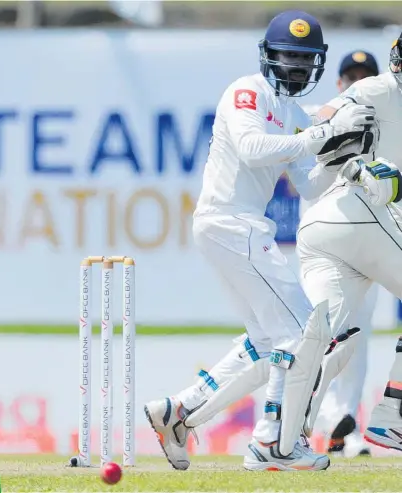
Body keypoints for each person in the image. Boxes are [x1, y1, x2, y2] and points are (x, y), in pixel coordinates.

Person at [144, 10, 378, 472]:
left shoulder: (291, 112)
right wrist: (321, 135)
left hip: (241, 229)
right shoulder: (246, 91)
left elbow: (308, 185)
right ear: (268, 56)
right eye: (288, 57)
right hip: (232, 224)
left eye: (305, 59)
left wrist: (340, 154)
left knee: (270, 339)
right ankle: (272, 441)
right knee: (303, 333)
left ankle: (180, 412)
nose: (296, 67)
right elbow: (252, 149)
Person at [296, 32, 402, 454]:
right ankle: (391, 415)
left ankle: (287, 428)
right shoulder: (376, 89)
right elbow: (322, 118)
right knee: (336, 330)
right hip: (363, 221)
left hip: (378, 228)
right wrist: (356, 162)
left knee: (339, 332)